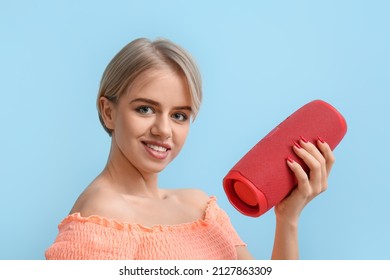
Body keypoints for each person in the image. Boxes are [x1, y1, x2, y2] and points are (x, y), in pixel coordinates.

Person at [45, 38, 335, 260]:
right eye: (145, 109)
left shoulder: (201, 208)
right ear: (108, 112)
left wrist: (288, 218)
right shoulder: (98, 220)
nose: (164, 130)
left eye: (179, 115)